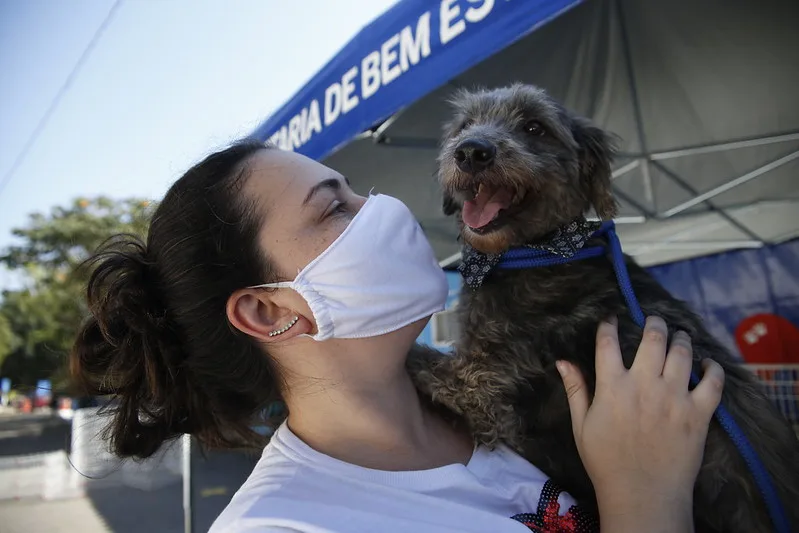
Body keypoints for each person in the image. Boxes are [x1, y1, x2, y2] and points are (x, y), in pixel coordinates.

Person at [70, 139, 725, 533]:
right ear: (269, 313)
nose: (382, 208)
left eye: (355, 191)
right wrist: (645, 500)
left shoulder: (515, 392)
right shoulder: (288, 523)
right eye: (334, 207)